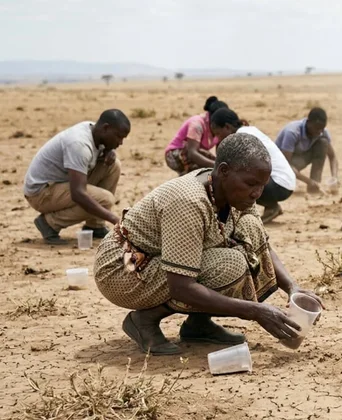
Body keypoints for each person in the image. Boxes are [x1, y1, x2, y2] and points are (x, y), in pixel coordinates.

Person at [94, 132, 324, 355]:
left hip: (153, 260)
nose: (257, 193)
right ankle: (144, 320)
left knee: (250, 228)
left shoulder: (235, 192)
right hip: (123, 267)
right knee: (230, 265)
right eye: (252, 183)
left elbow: (261, 243)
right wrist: (255, 311)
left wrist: (293, 288)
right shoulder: (189, 201)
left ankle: (198, 325)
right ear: (223, 171)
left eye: (262, 185)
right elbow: (181, 286)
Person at [23, 109, 130, 245]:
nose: (121, 142)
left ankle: (95, 225)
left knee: (113, 166)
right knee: (105, 200)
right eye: (118, 137)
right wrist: (114, 219)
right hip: (40, 193)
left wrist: (110, 150)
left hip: (60, 182)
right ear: (106, 128)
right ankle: (49, 223)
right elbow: (78, 194)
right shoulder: (79, 144)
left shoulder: (94, 130)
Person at [237, 124, 296, 223]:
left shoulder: (241, 135)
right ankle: (271, 206)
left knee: (239, 182)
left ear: (227, 127)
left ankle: (267, 209)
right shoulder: (251, 130)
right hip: (287, 184)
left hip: (278, 185)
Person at [275, 107, 339, 194]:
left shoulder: (322, 132)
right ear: (308, 123)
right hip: (280, 166)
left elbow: (332, 156)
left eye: (322, 128)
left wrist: (334, 177)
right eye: (317, 128)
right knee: (281, 188)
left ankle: (314, 188)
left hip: (299, 159)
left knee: (323, 143)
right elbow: (286, 165)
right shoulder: (292, 132)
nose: (319, 132)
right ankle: (312, 184)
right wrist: (308, 181)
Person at [164, 96, 228, 175]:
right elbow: (192, 153)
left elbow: (219, 154)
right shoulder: (197, 124)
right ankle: (187, 181)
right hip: (176, 154)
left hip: (195, 153)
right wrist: (216, 166)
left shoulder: (220, 128)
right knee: (204, 171)